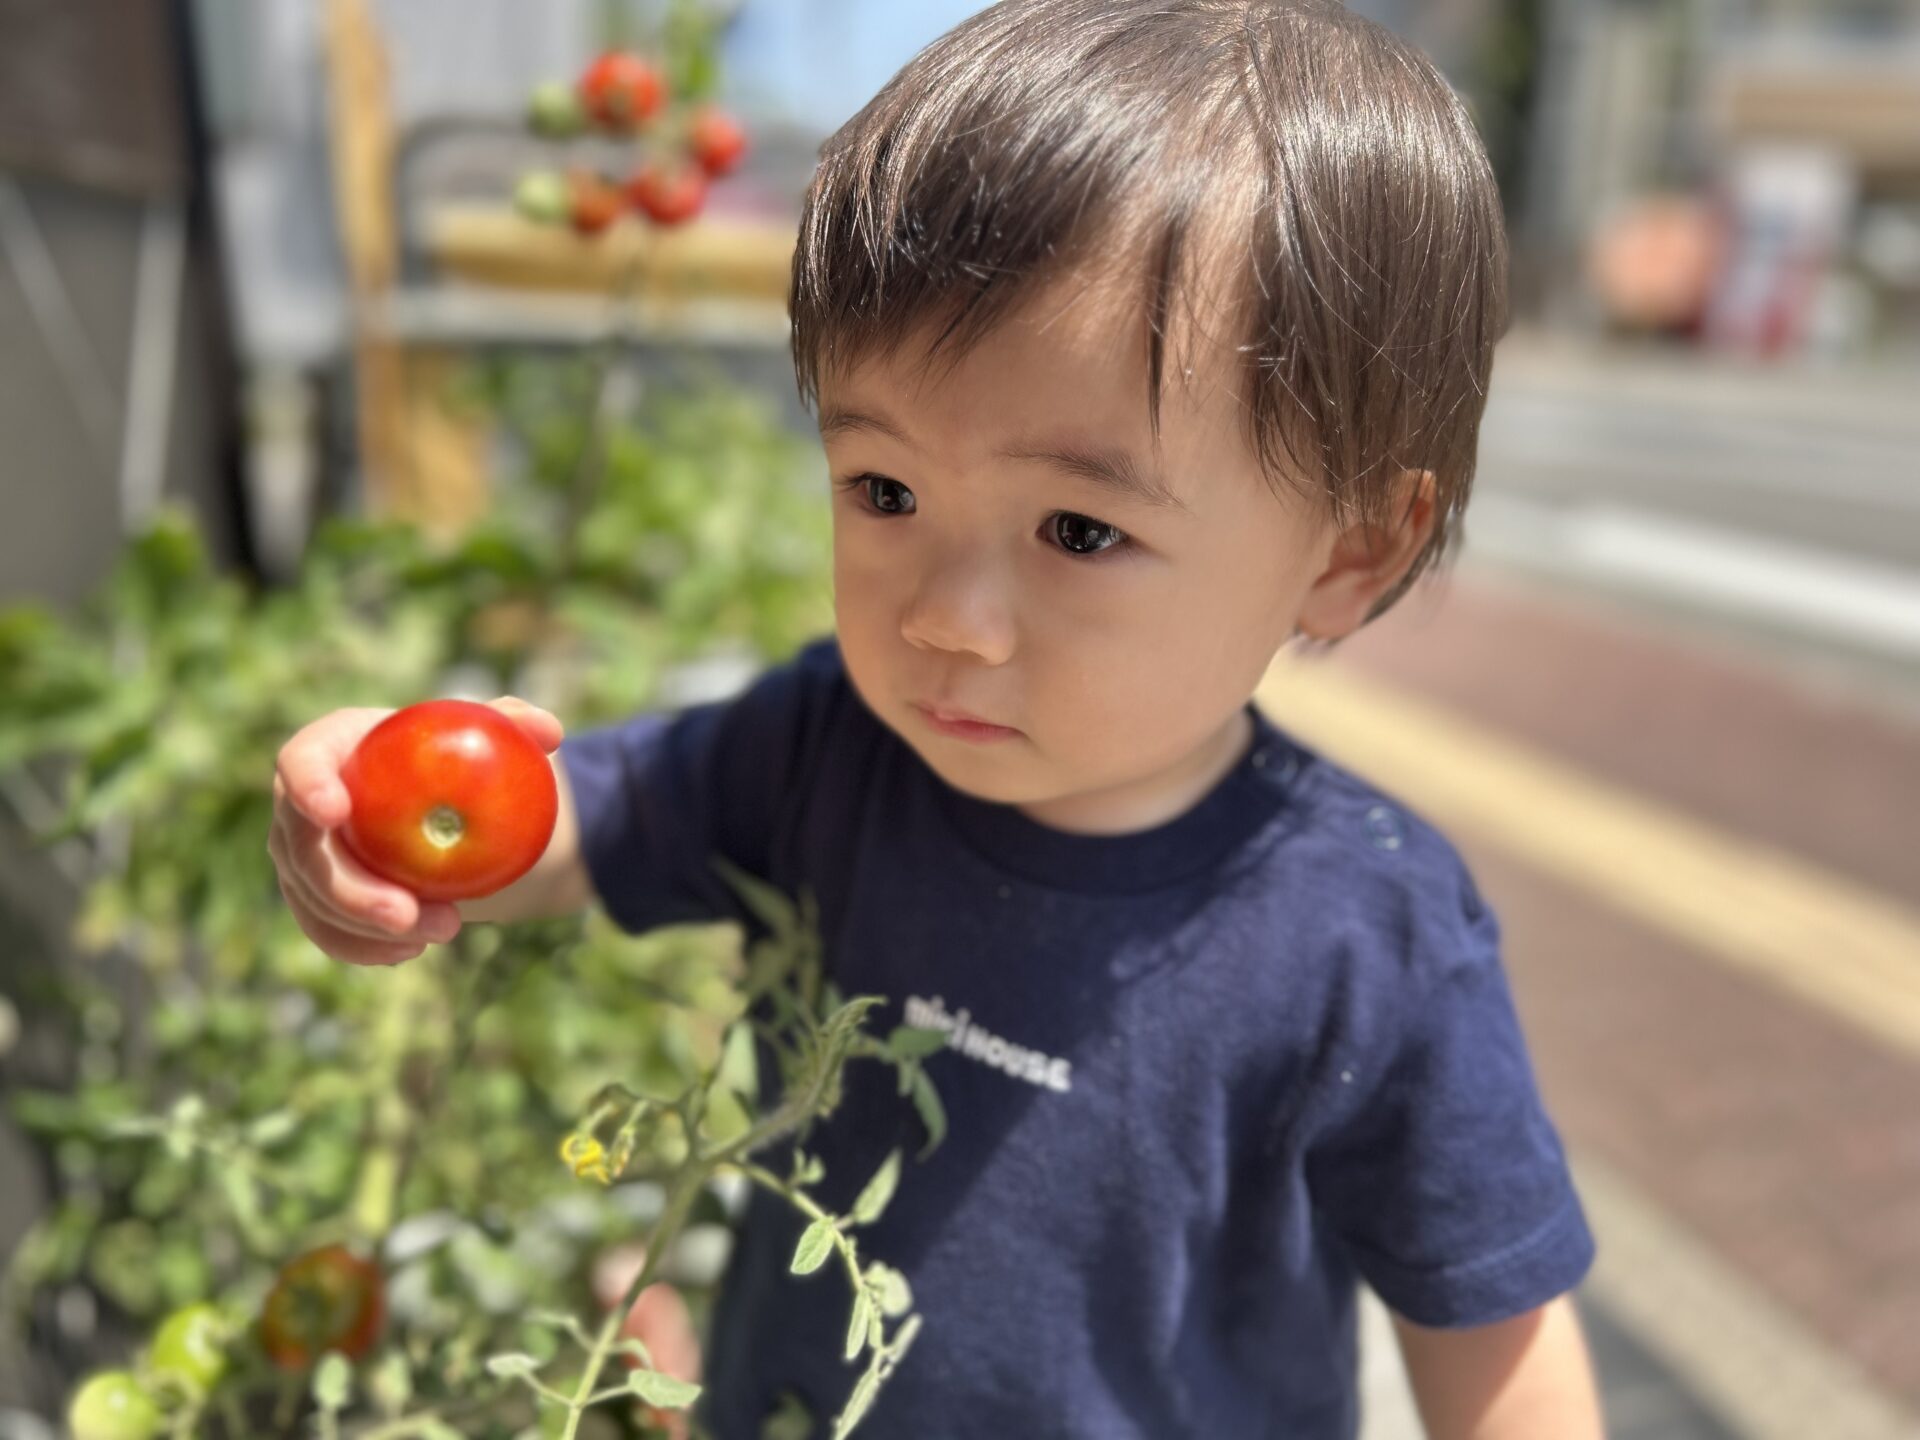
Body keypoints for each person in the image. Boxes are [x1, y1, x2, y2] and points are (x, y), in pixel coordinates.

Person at [267, 2, 1606, 1435]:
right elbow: (578, 822)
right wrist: (388, 825)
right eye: (885, 491)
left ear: (1350, 551)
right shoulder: (821, 748)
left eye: (1080, 531)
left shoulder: (1370, 936)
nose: (947, 618)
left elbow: (1497, 1348)